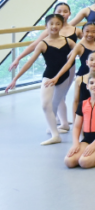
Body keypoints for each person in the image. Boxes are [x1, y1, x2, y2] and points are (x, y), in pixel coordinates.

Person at [7, 13, 74, 144]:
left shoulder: (68, 42)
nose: (54, 26)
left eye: (58, 24)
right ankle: (55, 135)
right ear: (46, 26)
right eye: (51, 24)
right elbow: (30, 62)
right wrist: (15, 78)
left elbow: (83, 51)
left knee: (56, 103)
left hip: (64, 76)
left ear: (62, 25)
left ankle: (54, 129)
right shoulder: (43, 44)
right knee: (45, 104)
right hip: (49, 76)